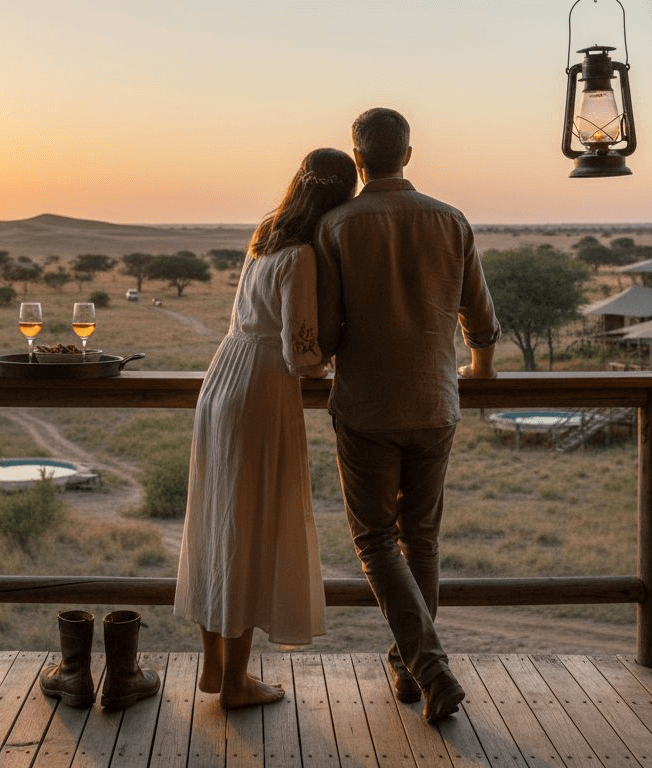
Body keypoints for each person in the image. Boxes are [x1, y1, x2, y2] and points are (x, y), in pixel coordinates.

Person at [315, 107, 501, 725]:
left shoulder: (338, 227)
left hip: (367, 405)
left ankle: (428, 667)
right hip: (434, 401)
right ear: (410, 154)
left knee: (374, 538)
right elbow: (479, 313)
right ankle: (411, 663)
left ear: (359, 157)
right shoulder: (452, 220)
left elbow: (330, 332)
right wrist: (481, 367)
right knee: (421, 536)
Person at [173, 147, 358, 709]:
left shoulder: (264, 235)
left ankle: (214, 668)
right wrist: (336, 350)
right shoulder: (301, 256)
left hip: (222, 377)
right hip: (261, 389)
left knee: (216, 522)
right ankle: (235, 683)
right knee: (249, 530)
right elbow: (300, 352)